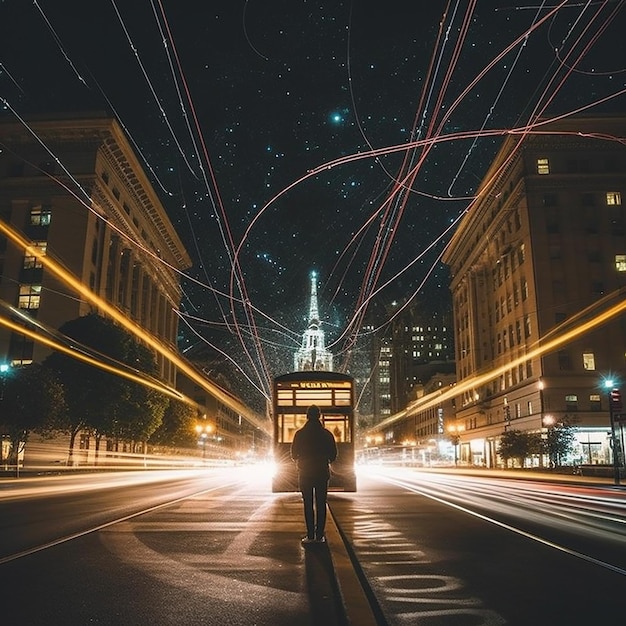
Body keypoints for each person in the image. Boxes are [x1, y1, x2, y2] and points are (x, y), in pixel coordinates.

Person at [290, 404, 338, 544]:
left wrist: (302, 459)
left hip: (305, 473)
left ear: (307, 416)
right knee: (321, 503)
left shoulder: (299, 434)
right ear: (319, 416)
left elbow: (293, 454)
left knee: (308, 504)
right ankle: (319, 535)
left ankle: (310, 535)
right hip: (322, 473)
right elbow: (333, 455)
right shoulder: (326, 434)